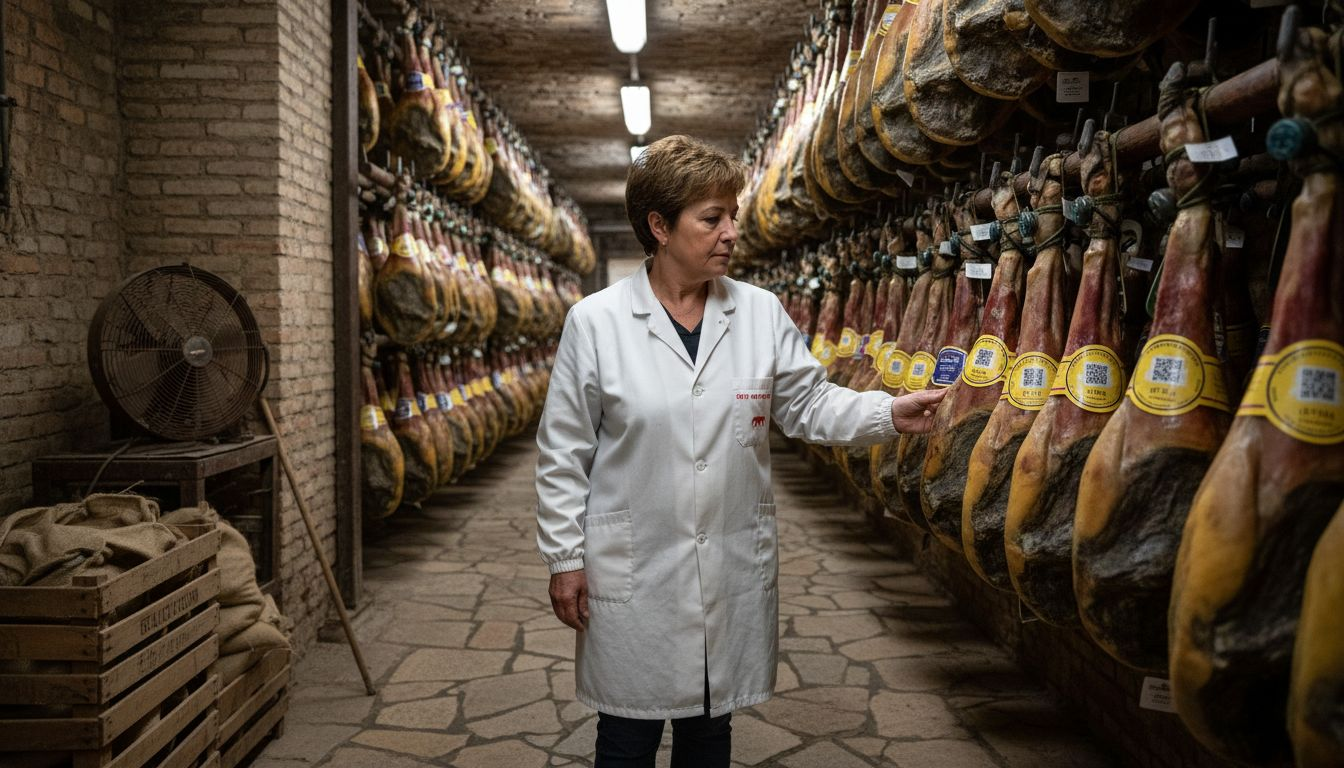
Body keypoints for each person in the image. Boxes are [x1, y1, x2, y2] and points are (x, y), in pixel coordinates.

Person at [535, 134, 946, 767]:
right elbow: (564, 451)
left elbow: (808, 404)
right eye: (712, 218)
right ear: (659, 226)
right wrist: (565, 556)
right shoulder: (596, 322)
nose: (731, 232)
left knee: (708, 733)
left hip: (725, 559)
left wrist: (887, 411)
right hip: (632, 564)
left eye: (732, 215)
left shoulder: (759, 313)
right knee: (626, 737)